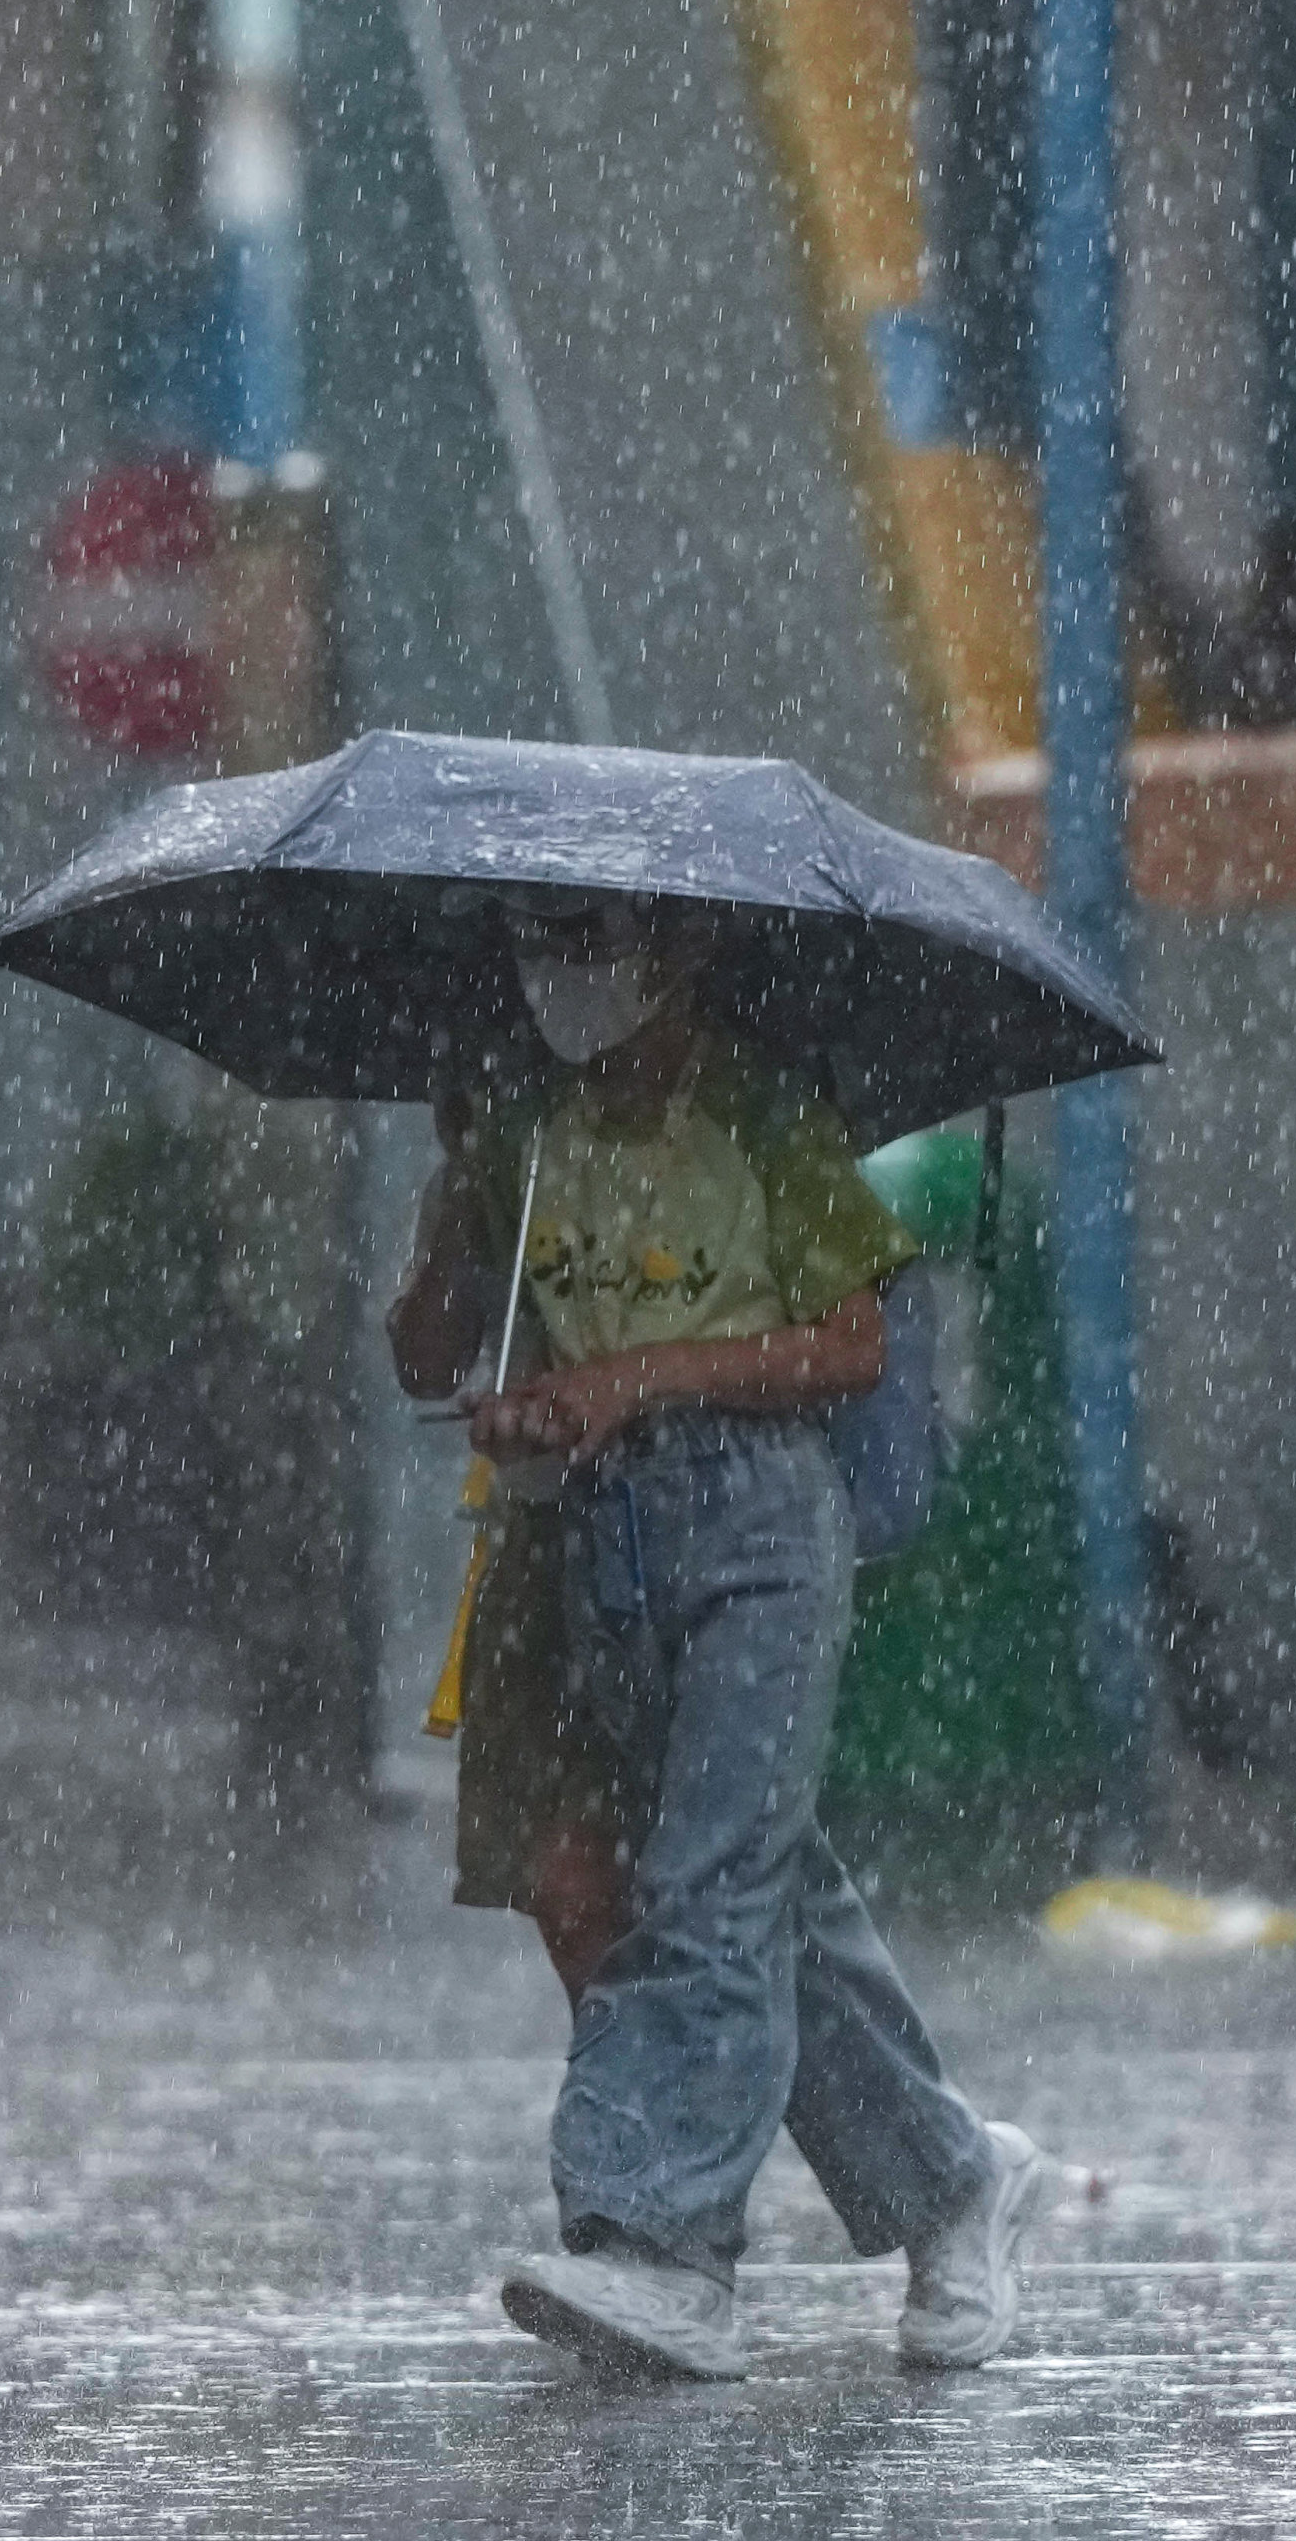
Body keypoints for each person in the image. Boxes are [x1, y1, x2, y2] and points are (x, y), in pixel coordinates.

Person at [388, 891, 1047, 2383]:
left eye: (592, 940)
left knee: (706, 1876)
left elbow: (853, 1344)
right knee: (764, 1884)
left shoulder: (762, 1117)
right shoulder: (524, 1132)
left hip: (758, 1530)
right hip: (601, 1545)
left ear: (675, 955)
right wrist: (454, 1221)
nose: (564, 975)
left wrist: (643, 1380)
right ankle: (954, 2181)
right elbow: (428, 1349)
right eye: (539, 939)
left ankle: (662, 2242)